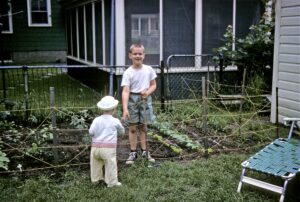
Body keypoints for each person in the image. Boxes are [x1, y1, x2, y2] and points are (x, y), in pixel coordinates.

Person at [121, 43, 157, 165]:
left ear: (144, 55)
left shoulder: (149, 69)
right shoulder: (128, 72)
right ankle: (132, 152)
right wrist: (125, 108)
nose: (137, 56)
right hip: (132, 100)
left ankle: (144, 151)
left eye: (140, 53)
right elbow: (125, 91)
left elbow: (153, 85)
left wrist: (147, 92)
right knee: (132, 128)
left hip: (145, 100)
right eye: (135, 54)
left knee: (143, 127)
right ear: (130, 55)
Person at [89, 95, 125, 187]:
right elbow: (122, 131)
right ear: (114, 109)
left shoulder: (96, 120)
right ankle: (112, 182)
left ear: (102, 109)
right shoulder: (115, 121)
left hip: (95, 148)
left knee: (95, 165)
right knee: (110, 165)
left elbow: (91, 132)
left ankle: (95, 180)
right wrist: (120, 132)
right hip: (108, 149)